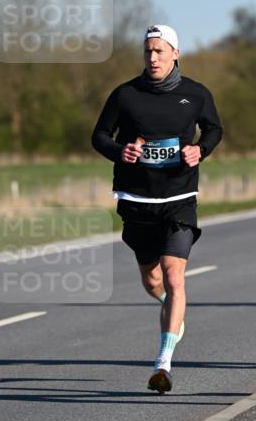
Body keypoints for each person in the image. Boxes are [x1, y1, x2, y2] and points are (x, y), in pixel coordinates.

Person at [92, 24, 222, 393]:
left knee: (175, 276)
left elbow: (213, 129)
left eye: (160, 51)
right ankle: (171, 308)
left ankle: (163, 362)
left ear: (175, 53)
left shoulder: (195, 94)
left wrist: (201, 149)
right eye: (148, 51)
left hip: (179, 198)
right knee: (153, 281)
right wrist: (122, 151)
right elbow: (99, 136)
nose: (153, 58)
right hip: (137, 199)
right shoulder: (125, 95)